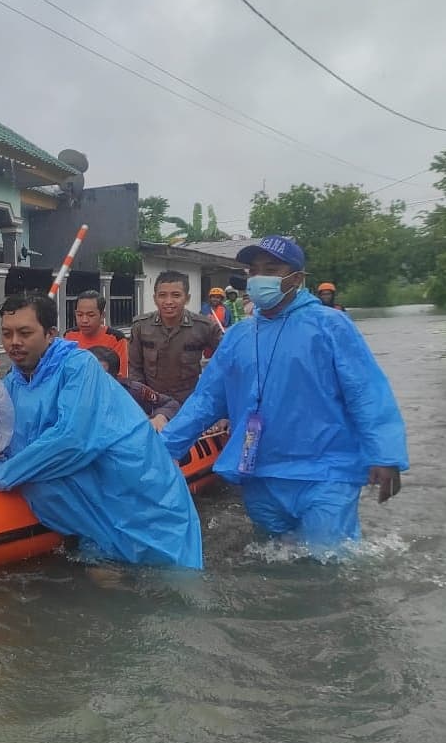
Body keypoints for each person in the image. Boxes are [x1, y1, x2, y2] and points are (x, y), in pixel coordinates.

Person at [161, 235, 408, 550]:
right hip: (259, 474)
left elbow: (367, 392)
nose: (259, 277)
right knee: (275, 565)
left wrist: (386, 455)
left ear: (297, 277)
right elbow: (205, 401)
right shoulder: (238, 336)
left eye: (271, 268)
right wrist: (161, 450)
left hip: (325, 474)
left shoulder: (330, 326)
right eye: (253, 270)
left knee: (328, 567)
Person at [0, 292, 203, 568]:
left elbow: (73, 438)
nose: (14, 342)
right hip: (87, 505)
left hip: (134, 495)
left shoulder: (79, 366)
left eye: (25, 333)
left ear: (51, 333)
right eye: (7, 334)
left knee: (169, 579)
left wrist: (3, 475)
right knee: (103, 575)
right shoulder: (16, 381)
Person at [129, 270, 225, 404]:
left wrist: (210, 395)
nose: (168, 301)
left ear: (187, 298)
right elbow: (134, 368)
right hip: (152, 402)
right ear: (154, 298)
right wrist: (141, 400)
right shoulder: (141, 326)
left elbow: (227, 361)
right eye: (162, 295)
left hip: (189, 404)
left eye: (176, 295)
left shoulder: (204, 327)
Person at [89, 345, 179, 431]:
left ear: (114, 377)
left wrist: (160, 417)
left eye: (99, 374)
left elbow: (170, 404)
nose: (92, 378)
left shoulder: (131, 391)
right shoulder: (76, 393)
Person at [63, 289, 129, 377]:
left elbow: (120, 376)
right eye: (79, 315)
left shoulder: (116, 338)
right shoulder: (69, 335)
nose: (84, 320)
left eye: (91, 315)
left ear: (102, 316)